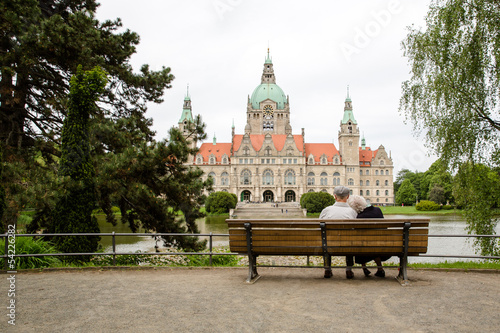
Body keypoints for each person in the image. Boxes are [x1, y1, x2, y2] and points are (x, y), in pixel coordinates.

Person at [319, 186, 357, 279]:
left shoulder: (326, 210)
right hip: (347, 244)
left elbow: (319, 227)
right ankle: (348, 269)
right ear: (348, 196)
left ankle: (327, 269)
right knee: (349, 238)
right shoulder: (352, 212)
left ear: (335, 196)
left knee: (326, 239)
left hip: (328, 243)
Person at [347, 195, 389, 278]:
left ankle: (364, 267)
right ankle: (380, 268)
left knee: (360, 241)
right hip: (381, 243)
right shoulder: (378, 210)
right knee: (371, 241)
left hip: (364, 246)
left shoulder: (358, 217)